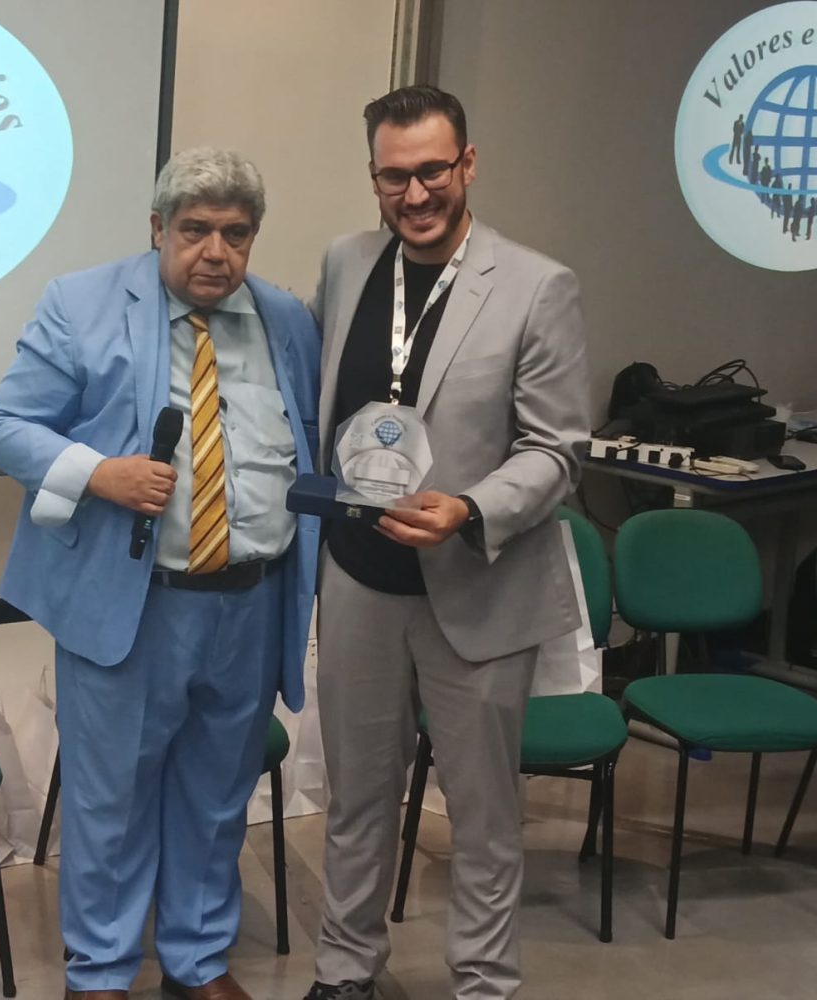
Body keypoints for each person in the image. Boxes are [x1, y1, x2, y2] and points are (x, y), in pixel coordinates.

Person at [0, 147, 321, 1000]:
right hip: (133, 605)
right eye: (196, 230)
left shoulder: (284, 318)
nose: (215, 253)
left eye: (235, 234)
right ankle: (99, 971)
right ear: (157, 228)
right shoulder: (81, 303)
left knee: (218, 794)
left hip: (250, 599)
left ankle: (197, 961)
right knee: (112, 801)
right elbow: (5, 426)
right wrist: (99, 473)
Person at [304, 85, 589, 1000]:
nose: (415, 194)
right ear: (373, 178)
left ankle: (482, 985)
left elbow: (557, 450)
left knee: (482, 815)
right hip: (358, 579)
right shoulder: (346, 263)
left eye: (432, 170)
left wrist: (468, 507)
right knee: (355, 799)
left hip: (477, 585)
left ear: (467, 163)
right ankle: (344, 973)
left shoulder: (537, 285)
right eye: (394, 177)